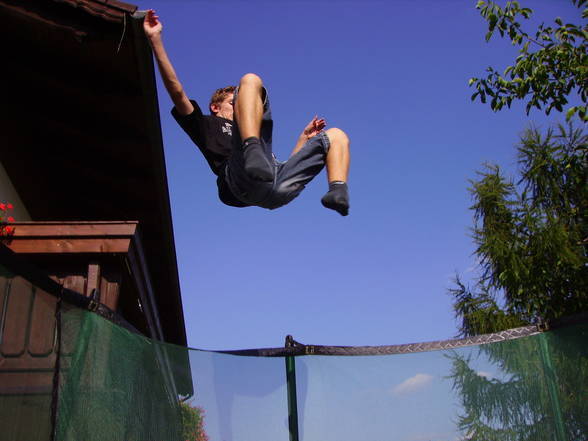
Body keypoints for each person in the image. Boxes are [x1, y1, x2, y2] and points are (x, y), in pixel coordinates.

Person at [143, 10, 351, 215]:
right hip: (239, 182)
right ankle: (250, 146)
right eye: (235, 102)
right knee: (250, 80)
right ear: (215, 108)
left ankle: (337, 190)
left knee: (335, 136)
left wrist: (303, 139)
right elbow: (177, 91)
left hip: (274, 190)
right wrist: (155, 40)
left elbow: (287, 169)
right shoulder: (204, 124)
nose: (241, 105)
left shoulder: (259, 152)